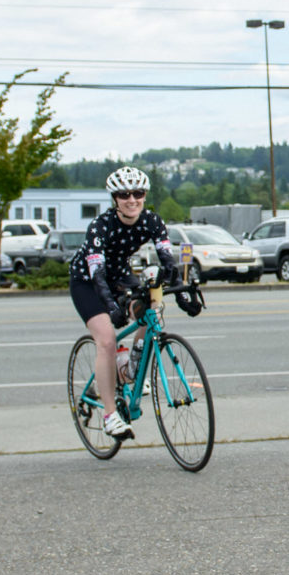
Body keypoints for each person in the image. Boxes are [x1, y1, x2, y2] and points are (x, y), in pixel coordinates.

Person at [70, 166, 180, 442]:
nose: (132, 199)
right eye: (124, 194)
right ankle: (110, 416)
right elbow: (97, 275)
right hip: (87, 282)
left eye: (138, 193)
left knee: (150, 311)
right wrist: (112, 307)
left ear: (144, 195)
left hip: (119, 276)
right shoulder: (100, 226)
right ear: (114, 199)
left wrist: (181, 289)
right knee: (106, 340)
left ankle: (129, 368)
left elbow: (168, 259)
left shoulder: (152, 221)